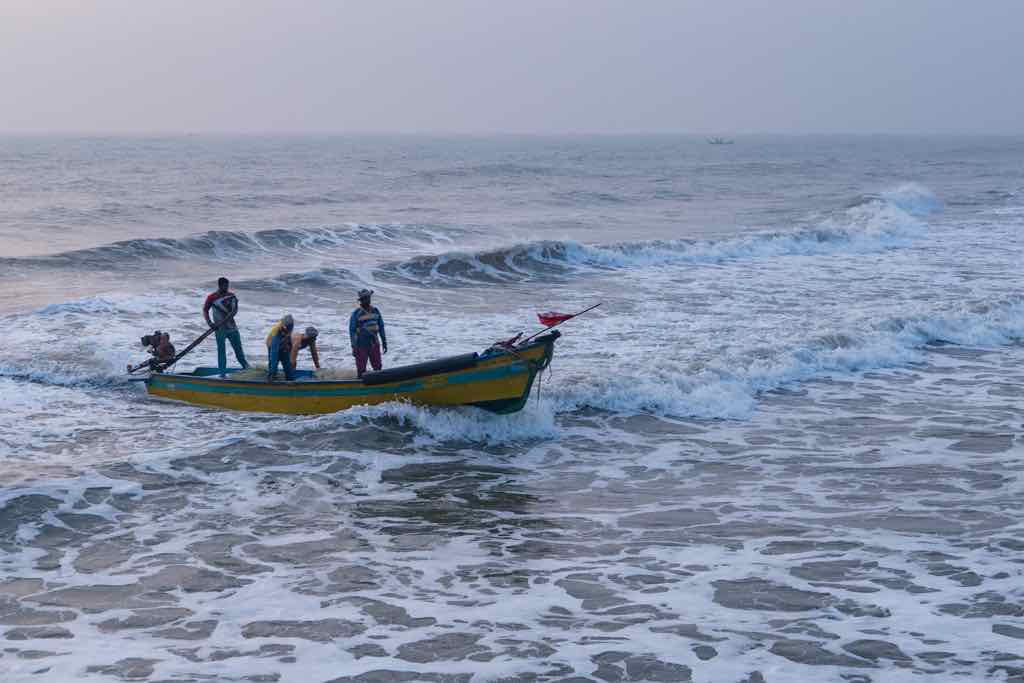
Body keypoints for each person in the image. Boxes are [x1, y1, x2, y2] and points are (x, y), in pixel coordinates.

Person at [203, 277, 248, 377]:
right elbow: (205, 310)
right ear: (220, 285)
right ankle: (222, 374)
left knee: (239, 351)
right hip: (219, 330)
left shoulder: (231, 296)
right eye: (225, 286)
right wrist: (210, 323)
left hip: (232, 328)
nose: (227, 288)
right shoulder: (211, 297)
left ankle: (247, 368)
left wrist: (223, 321)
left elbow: (234, 311)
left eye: (227, 286)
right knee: (221, 351)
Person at [349, 289, 387, 378]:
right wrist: (354, 346)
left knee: (378, 367)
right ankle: (360, 384)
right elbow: (352, 331)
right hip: (361, 344)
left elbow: (381, 327)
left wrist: (384, 342)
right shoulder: (356, 313)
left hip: (374, 343)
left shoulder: (376, 311)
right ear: (361, 300)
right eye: (365, 298)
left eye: (368, 298)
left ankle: (378, 383)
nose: (367, 300)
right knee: (361, 369)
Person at [265, 315, 296, 382]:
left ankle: (290, 378)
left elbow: (289, 339)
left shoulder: (290, 325)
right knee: (274, 362)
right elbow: (274, 353)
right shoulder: (276, 330)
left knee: (287, 363)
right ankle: (272, 376)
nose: (289, 329)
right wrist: (273, 371)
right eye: (286, 327)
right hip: (272, 344)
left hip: (283, 344)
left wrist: (289, 348)